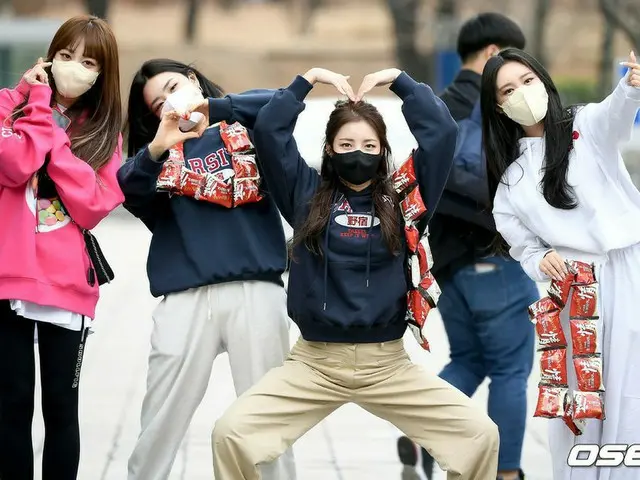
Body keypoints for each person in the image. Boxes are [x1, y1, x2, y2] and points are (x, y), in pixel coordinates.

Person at [209, 66, 500, 480]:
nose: (357, 152)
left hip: (388, 365)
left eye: (368, 144)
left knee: (479, 436)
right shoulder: (304, 195)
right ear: (329, 149)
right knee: (231, 433)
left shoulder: (405, 198)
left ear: (383, 151)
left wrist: (401, 80)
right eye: (346, 143)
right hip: (314, 364)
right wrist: (307, 80)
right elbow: (271, 130)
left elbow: (441, 134)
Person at [117, 58, 296, 480]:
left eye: (174, 88)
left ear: (194, 80)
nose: (170, 104)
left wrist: (216, 109)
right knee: (160, 419)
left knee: (267, 419)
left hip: (256, 288)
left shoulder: (245, 128)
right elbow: (128, 190)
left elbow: (285, 103)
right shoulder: (157, 159)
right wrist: (158, 146)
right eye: (157, 103)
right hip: (186, 295)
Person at [481, 47, 640, 480]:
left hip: (626, 273)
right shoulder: (511, 178)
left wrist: (628, 88)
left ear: (544, 80)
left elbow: (614, 116)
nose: (522, 93)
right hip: (571, 291)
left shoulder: (584, 126)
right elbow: (521, 243)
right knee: (578, 399)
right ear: (498, 105)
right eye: (508, 90)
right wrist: (542, 257)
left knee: (630, 388)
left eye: (527, 81)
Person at [397, 13, 536, 480]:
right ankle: (507, 471)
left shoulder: (437, 105)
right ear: (496, 54)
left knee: (470, 360)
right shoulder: (487, 105)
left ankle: (419, 433)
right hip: (495, 259)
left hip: (451, 264)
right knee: (511, 371)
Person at [0, 15, 123, 480]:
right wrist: (40, 104)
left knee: (60, 407)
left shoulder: (104, 132)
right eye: (67, 55)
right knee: (10, 404)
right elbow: (13, 165)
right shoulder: (8, 105)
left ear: (101, 73)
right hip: (6, 278)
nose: (74, 67)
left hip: (66, 284)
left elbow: (92, 204)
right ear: (50, 56)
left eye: (88, 61)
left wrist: (55, 137)